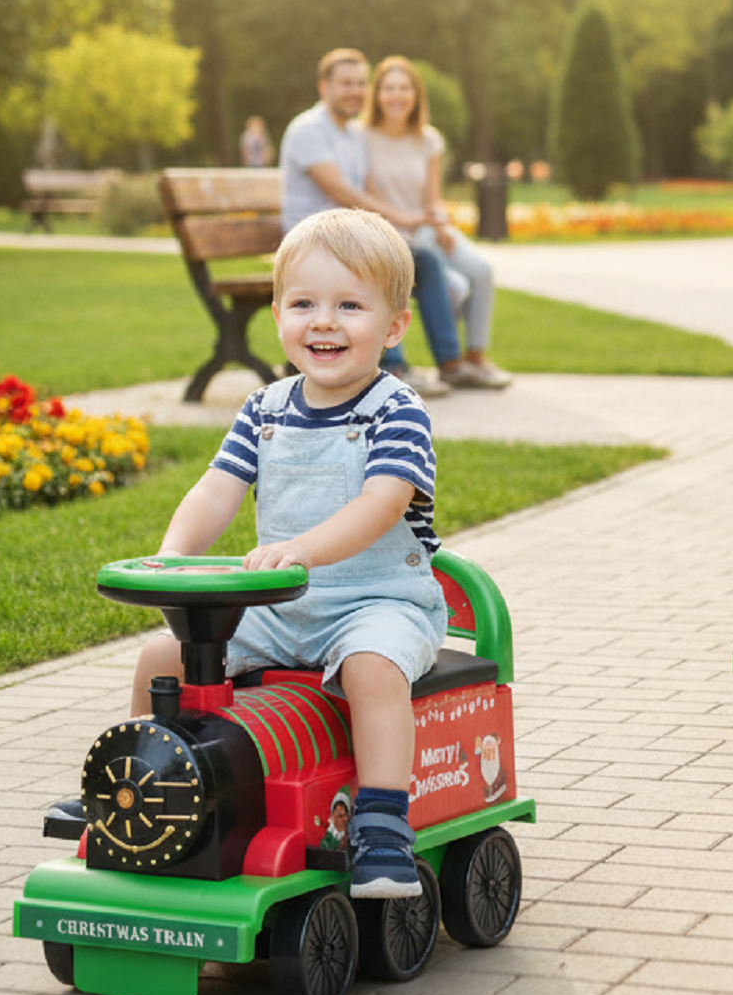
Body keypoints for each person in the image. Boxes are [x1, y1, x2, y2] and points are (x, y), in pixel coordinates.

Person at [131, 208, 447, 898]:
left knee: (371, 669)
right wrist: (173, 555)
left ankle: (384, 821)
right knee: (162, 656)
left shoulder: (397, 411)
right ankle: (145, 787)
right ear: (277, 316)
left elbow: (381, 505)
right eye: (303, 303)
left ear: (393, 326)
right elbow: (217, 490)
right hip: (278, 604)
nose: (324, 322)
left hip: (376, 601)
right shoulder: (264, 409)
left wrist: (298, 549)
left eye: (349, 305)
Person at [278, 47, 462, 397]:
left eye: (361, 83)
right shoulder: (308, 129)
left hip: (346, 239)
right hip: (311, 244)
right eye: (346, 83)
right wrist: (404, 218)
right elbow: (341, 190)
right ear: (324, 87)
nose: (355, 91)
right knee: (382, 266)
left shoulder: (351, 135)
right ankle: (393, 367)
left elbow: (367, 189)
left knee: (425, 260)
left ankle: (451, 363)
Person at [361, 56, 510, 389]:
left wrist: (441, 223)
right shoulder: (363, 137)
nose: (397, 96)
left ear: (416, 95)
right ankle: (449, 363)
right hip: (391, 232)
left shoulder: (428, 139)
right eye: (389, 88)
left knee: (482, 270)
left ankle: (476, 358)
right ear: (377, 94)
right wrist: (413, 222)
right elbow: (370, 197)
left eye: (404, 88)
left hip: (427, 227)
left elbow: (432, 197)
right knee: (452, 283)